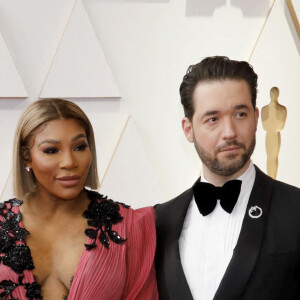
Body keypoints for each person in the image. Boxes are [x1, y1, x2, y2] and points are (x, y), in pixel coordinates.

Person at [155, 56, 300, 300]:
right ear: (188, 129)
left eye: (240, 115)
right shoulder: (158, 222)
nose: (230, 132)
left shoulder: (295, 209)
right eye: (213, 119)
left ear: (255, 117)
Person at [0, 98, 158, 300]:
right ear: (26, 157)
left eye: (79, 147)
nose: (69, 162)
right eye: (51, 150)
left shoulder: (131, 226)